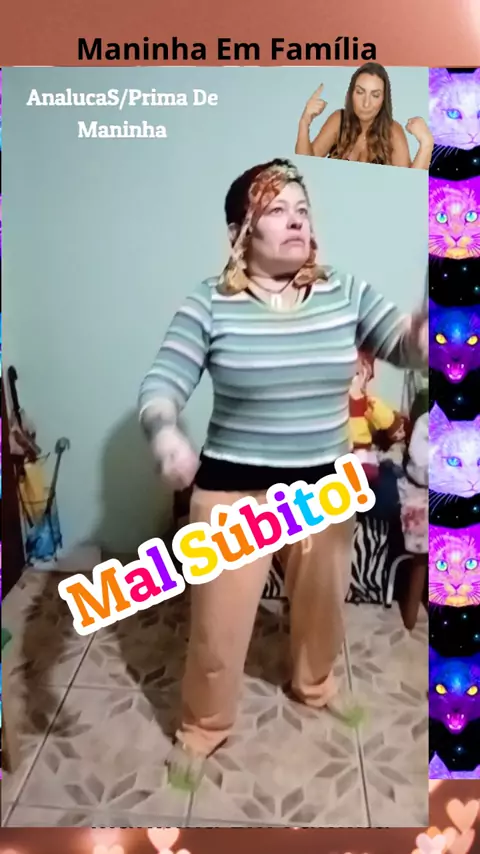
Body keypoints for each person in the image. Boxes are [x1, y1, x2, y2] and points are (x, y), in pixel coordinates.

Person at [138, 158, 427, 788]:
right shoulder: (209, 302)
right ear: (240, 231)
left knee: (321, 606)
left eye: (302, 209)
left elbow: (407, 348)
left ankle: (315, 685)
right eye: (276, 210)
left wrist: (427, 324)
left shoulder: (345, 291)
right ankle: (203, 727)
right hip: (232, 490)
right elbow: (162, 385)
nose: (296, 220)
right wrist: (164, 435)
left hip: (323, 488)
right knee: (217, 625)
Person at [295, 62, 434, 169]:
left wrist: (426, 143)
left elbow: (409, 187)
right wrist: (304, 122)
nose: (366, 103)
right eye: (360, 92)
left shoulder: (392, 132)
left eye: (375, 95)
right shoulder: (339, 120)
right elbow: (305, 167)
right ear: (351, 94)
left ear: (383, 100)